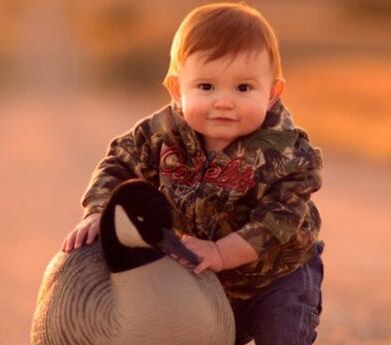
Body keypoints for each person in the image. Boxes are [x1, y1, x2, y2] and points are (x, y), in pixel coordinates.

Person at [62, 3, 324, 344]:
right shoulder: (161, 134)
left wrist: (220, 253)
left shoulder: (287, 152)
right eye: (206, 87)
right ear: (176, 89)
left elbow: (277, 222)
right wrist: (99, 210)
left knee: (280, 331)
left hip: (274, 279)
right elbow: (118, 163)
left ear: (272, 94)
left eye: (243, 88)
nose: (224, 102)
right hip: (202, 276)